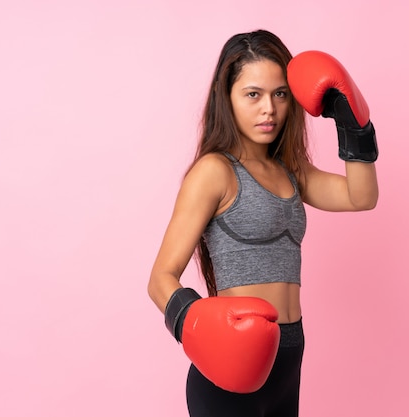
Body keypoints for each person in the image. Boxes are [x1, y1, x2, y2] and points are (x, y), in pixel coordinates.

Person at [148, 29, 379, 417]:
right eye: (253, 94)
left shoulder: (291, 171)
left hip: (290, 355)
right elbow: (160, 279)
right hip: (232, 364)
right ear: (229, 97)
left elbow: (361, 197)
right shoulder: (215, 172)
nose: (268, 108)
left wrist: (351, 121)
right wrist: (201, 328)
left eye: (280, 94)